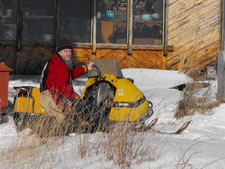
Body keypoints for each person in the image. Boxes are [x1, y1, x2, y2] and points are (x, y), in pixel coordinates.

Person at [39, 44, 94, 124]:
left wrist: (85, 68)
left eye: (70, 51)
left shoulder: (59, 61)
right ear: (59, 52)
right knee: (62, 121)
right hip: (51, 96)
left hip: (55, 94)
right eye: (65, 51)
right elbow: (62, 86)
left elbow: (68, 75)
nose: (68, 53)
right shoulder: (57, 64)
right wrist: (74, 97)